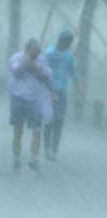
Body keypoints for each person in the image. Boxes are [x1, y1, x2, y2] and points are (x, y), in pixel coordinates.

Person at [8, 39, 53, 173]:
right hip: (18, 98)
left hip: (35, 100)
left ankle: (34, 159)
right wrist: (27, 62)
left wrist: (36, 68)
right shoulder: (16, 57)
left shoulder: (41, 61)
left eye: (38, 53)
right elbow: (15, 71)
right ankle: (16, 158)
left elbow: (47, 77)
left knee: (37, 131)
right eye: (35, 52)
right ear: (27, 49)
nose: (37, 55)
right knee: (18, 131)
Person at [43, 28, 80, 161]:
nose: (69, 43)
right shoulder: (50, 53)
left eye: (71, 41)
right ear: (61, 40)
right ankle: (47, 148)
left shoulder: (69, 55)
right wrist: (50, 90)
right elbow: (44, 72)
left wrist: (78, 84)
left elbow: (71, 71)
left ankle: (54, 150)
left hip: (63, 91)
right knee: (49, 120)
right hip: (50, 91)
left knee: (59, 121)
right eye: (68, 41)